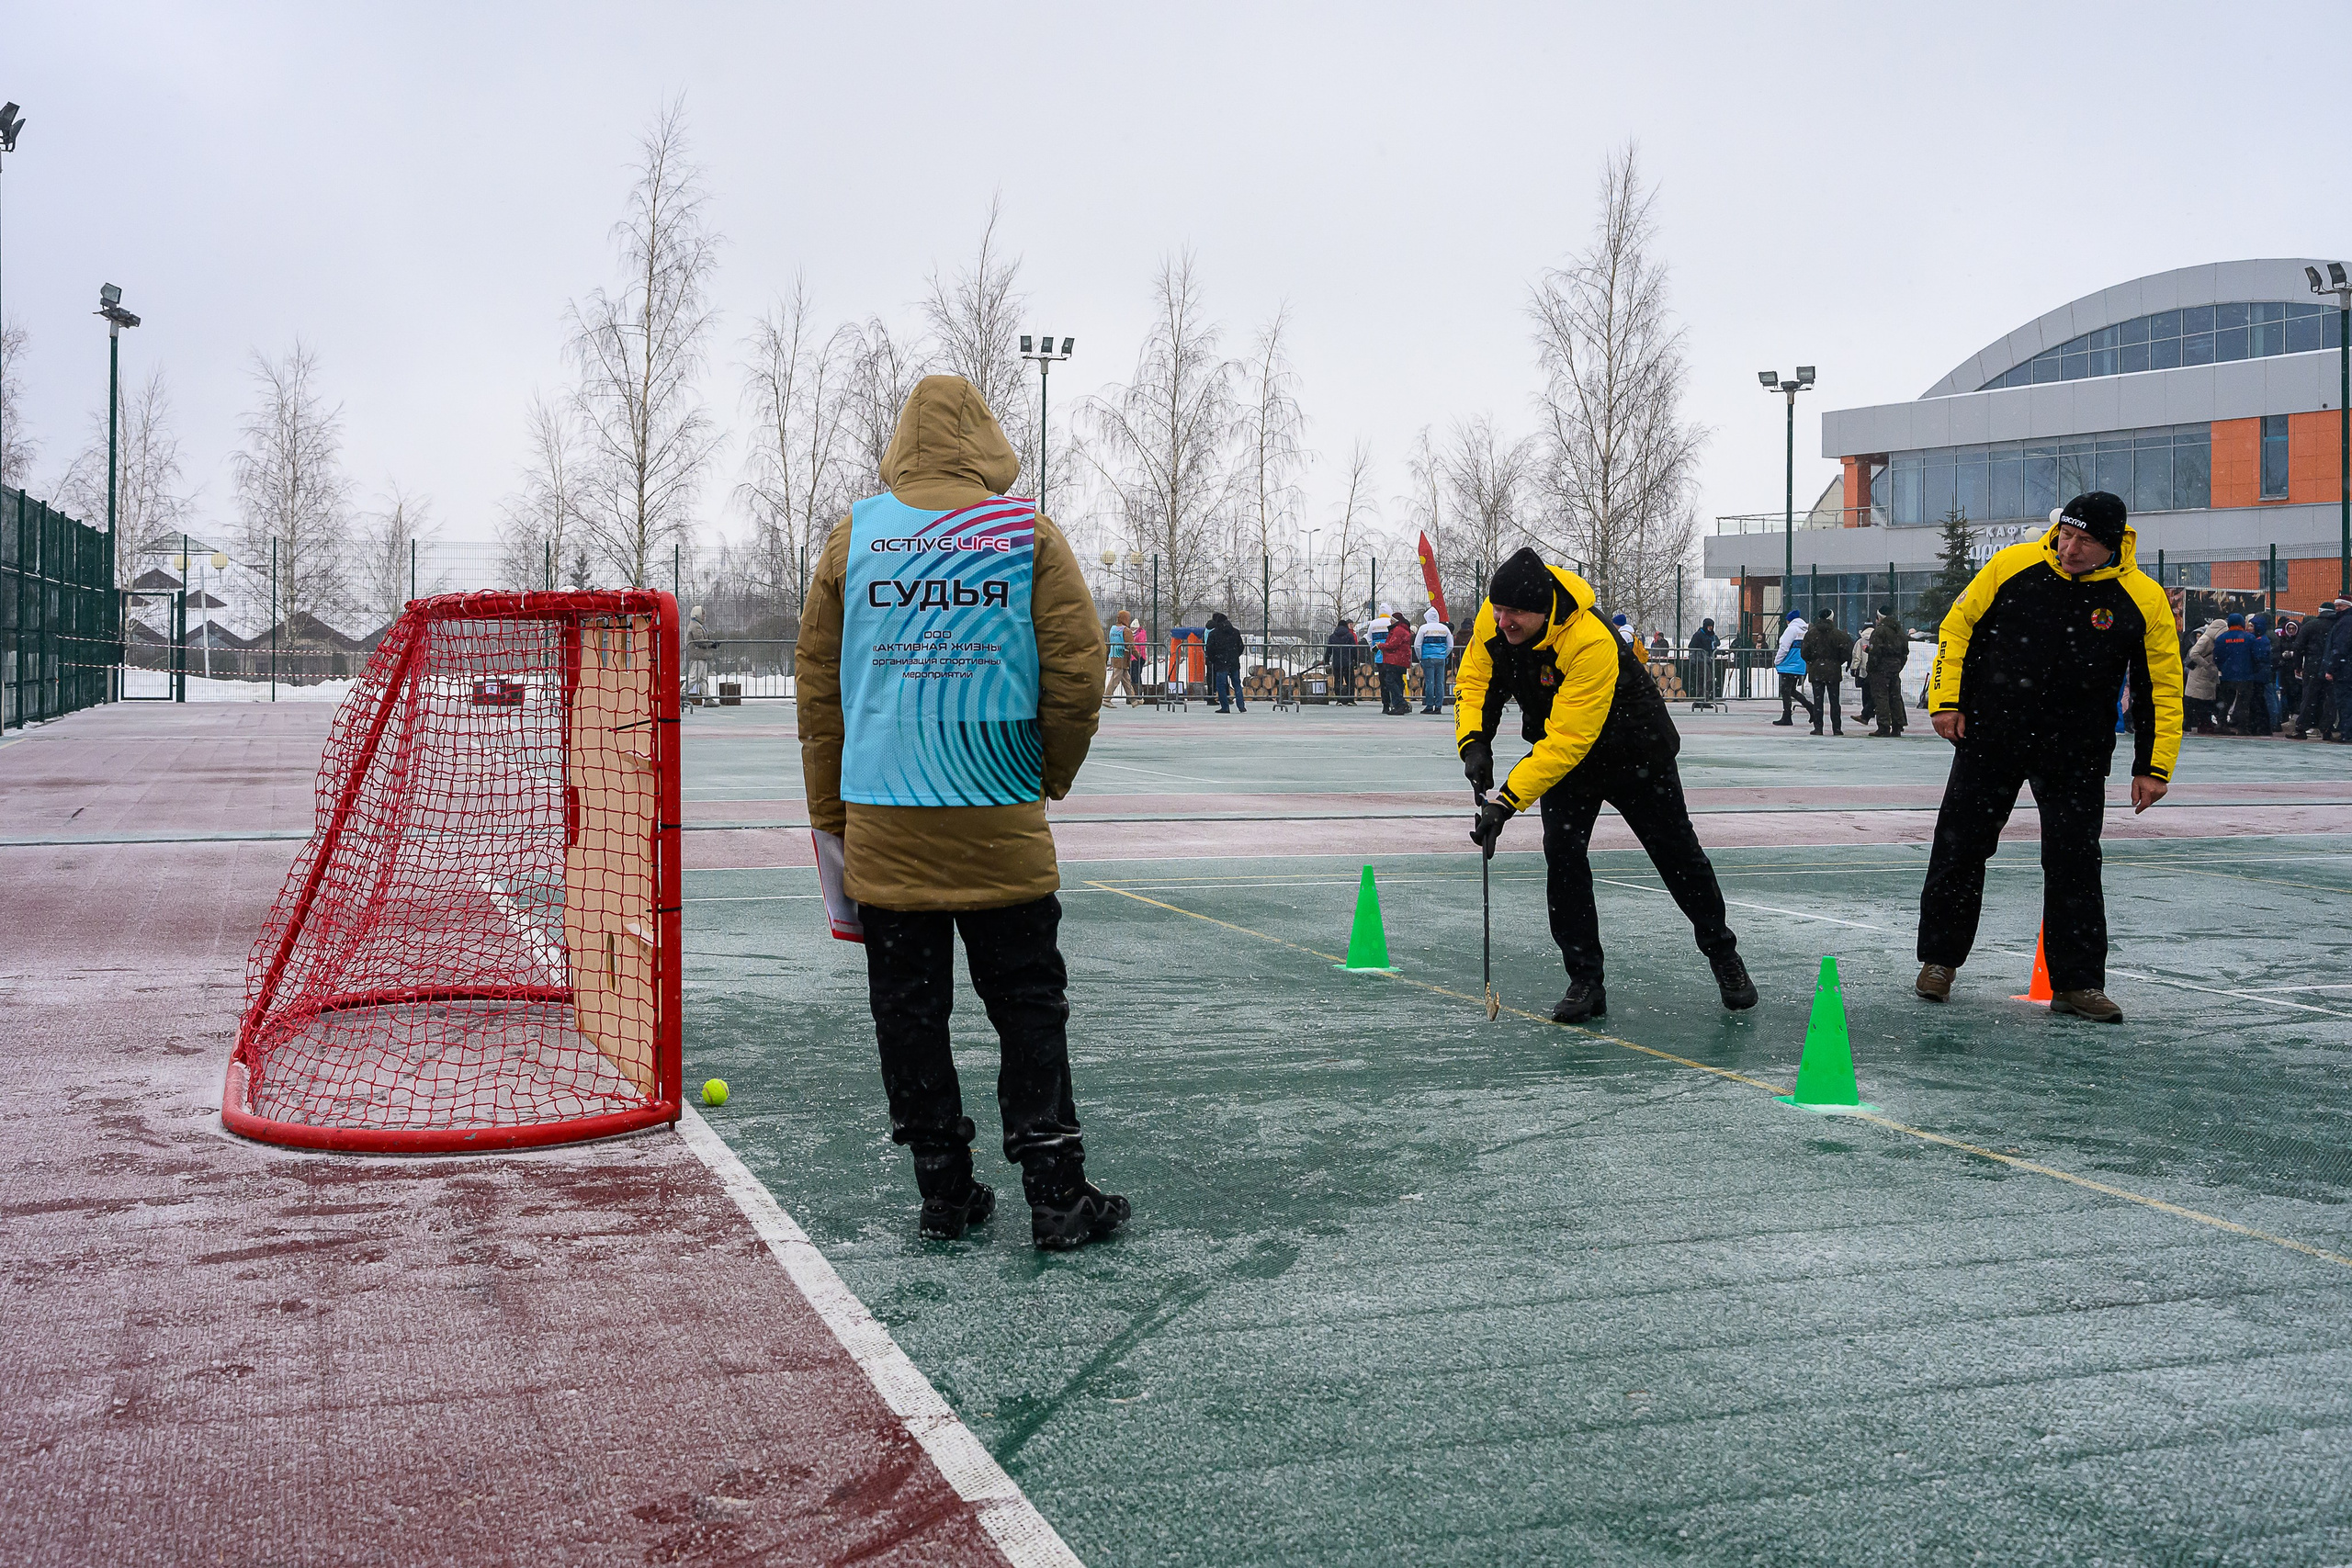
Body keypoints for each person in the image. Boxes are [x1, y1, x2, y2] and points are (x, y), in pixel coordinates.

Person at [797, 375, 1127, 1250]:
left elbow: (820, 701)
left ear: (903, 441)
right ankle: (1056, 1190)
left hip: (885, 815)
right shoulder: (1027, 535)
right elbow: (1077, 674)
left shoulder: (853, 540)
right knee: (1028, 1002)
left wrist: (833, 816)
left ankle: (943, 1190)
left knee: (908, 1008)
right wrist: (1044, 774)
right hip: (997, 812)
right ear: (982, 438)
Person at [1914, 491, 2181, 1024]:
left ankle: (2078, 985)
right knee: (1960, 847)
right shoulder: (2012, 565)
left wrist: (2154, 766)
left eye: (2085, 541)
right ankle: (1939, 963)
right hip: (1992, 737)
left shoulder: (2142, 599)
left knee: (2075, 863)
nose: (2070, 548)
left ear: (2114, 545)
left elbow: (2162, 685)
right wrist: (1946, 703)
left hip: (2077, 751)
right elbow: (1956, 629)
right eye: (2066, 535)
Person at [1458, 547, 1758, 1023]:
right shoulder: (1495, 618)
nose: (1502, 621)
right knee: (1564, 856)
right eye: (1498, 610)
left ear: (1542, 609)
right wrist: (1473, 741)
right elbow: (1476, 679)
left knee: (1678, 857)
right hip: (1566, 758)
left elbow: (1569, 740)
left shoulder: (1589, 639)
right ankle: (1585, 982)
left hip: (1634, 751)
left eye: (1514, 613)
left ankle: (1723, 953)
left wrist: (1507, 802)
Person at [2287, 598, 2341, 739]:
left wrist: (2298, 666)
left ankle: (2301, 728)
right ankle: (2326, 729)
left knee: (2309, 697)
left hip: (2312, 665)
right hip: (2332, 666)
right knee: (2329, 699)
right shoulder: (2337, 625)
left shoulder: (2310, 626)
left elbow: (2298, 647)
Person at [1801, 609, 1853, 737]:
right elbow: (1846, 652)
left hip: (1816, 669)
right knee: (1834, 700)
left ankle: (1818, 727)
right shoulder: (1839, 635)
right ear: (1831, 619)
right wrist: (1836, 662)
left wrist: (1813, 661)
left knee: (1818, 700)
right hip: (1833, 670)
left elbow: (1804, 653)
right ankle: (1837, 728)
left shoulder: (1811, 634)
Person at [1864, 604, 1908, 737]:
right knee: (1895, 697)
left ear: (1880, 618)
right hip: (1895, 668)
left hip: (1881, 670)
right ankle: (1897, 725)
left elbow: (1875, 652)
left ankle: (1883, 726)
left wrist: (1871, 668)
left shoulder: (1879, 632)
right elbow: (1905, 652)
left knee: (1881, 697)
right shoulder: (1899, 631)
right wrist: (1898, 666)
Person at [2213, 613, 2259, 734]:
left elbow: (2217, 657)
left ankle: (2221, 724)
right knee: (2243, 702)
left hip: (2227, 675)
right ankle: (2242, 727)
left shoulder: (2221, 638)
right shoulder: (2250, 638)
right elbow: (2256, 656)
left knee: (2226, 701)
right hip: (2245, 675)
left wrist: (2223, 668)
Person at [1771, 610, 1815, 728]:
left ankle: (1787, 716)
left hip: (1788, 664)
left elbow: (1784, 647)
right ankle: (1811, 708)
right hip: (1799, 663)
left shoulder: (1791, 630)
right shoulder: (1805, 630)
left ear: (1788, 620)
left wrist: (1777, 661)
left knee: (1785, 690)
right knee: (1791, 690)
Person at [2182, 617, 2224, 734]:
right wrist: (2207, 665)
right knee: (2202, 701)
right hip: (2201, 674)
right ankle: (2202, 724)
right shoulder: (2206, 639)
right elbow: (2194, 654)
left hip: (2204, 675)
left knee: (2202, 701)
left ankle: (2202, 723)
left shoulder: (2210, 639)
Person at [1205, 611, 1246, 713]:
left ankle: (1225, 707)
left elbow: (1209, 648)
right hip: (1234, 662)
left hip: (1220, 662)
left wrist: (1214, 659)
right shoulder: (1235, 632)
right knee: (1236, 684)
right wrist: (1235, 655)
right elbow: (1241, 646)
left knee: (1221, 685)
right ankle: (1241, 706)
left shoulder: (1214, 634)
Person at [1416, 606, 1454, 714]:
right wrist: (1443, 654)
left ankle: (1429, 705)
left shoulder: (1424, 628)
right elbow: (1450, 645)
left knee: (1429, 682)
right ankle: (1438, 706)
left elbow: (1417, 645)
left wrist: (1420, 657)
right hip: (1440, 659)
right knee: (1440, 683)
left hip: (1427, 658)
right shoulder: (1444, 628)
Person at [1102, 609, 1136, 707]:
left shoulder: (1113, 629)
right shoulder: (1126, 630)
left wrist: (1106, 655)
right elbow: (1130, 645)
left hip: (1114, 655)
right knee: (1116, 678)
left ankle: (1133, 699)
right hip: (1122, 656)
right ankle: (1106, 698)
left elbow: (1109, 643)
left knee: (1126, 679)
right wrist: (1138, 656)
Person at [1326, 617, 1360, 705]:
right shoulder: (1349, 636)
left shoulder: (1332, 637)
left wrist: (1326, 661)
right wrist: (1356, 661)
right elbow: (1354, 650)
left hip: (1337, 663)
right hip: (1348, 662)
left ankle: (1339, 699)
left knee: (1338, 681)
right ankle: (1350, 700)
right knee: (1350, 681)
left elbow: (1328, 650)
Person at [1687, 617, 1720, 703]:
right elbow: (1692, 646)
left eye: (1712, 626)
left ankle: (1702, 698)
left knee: (1703, 679)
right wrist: (1693, 659)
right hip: (1700, 659)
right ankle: (1702, 698)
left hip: (1707, 659)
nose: (1711, 628)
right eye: (1709, 626)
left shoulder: (1711, 635)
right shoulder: (1699, 635)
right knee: (1707, 678)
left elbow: (1711, 646)